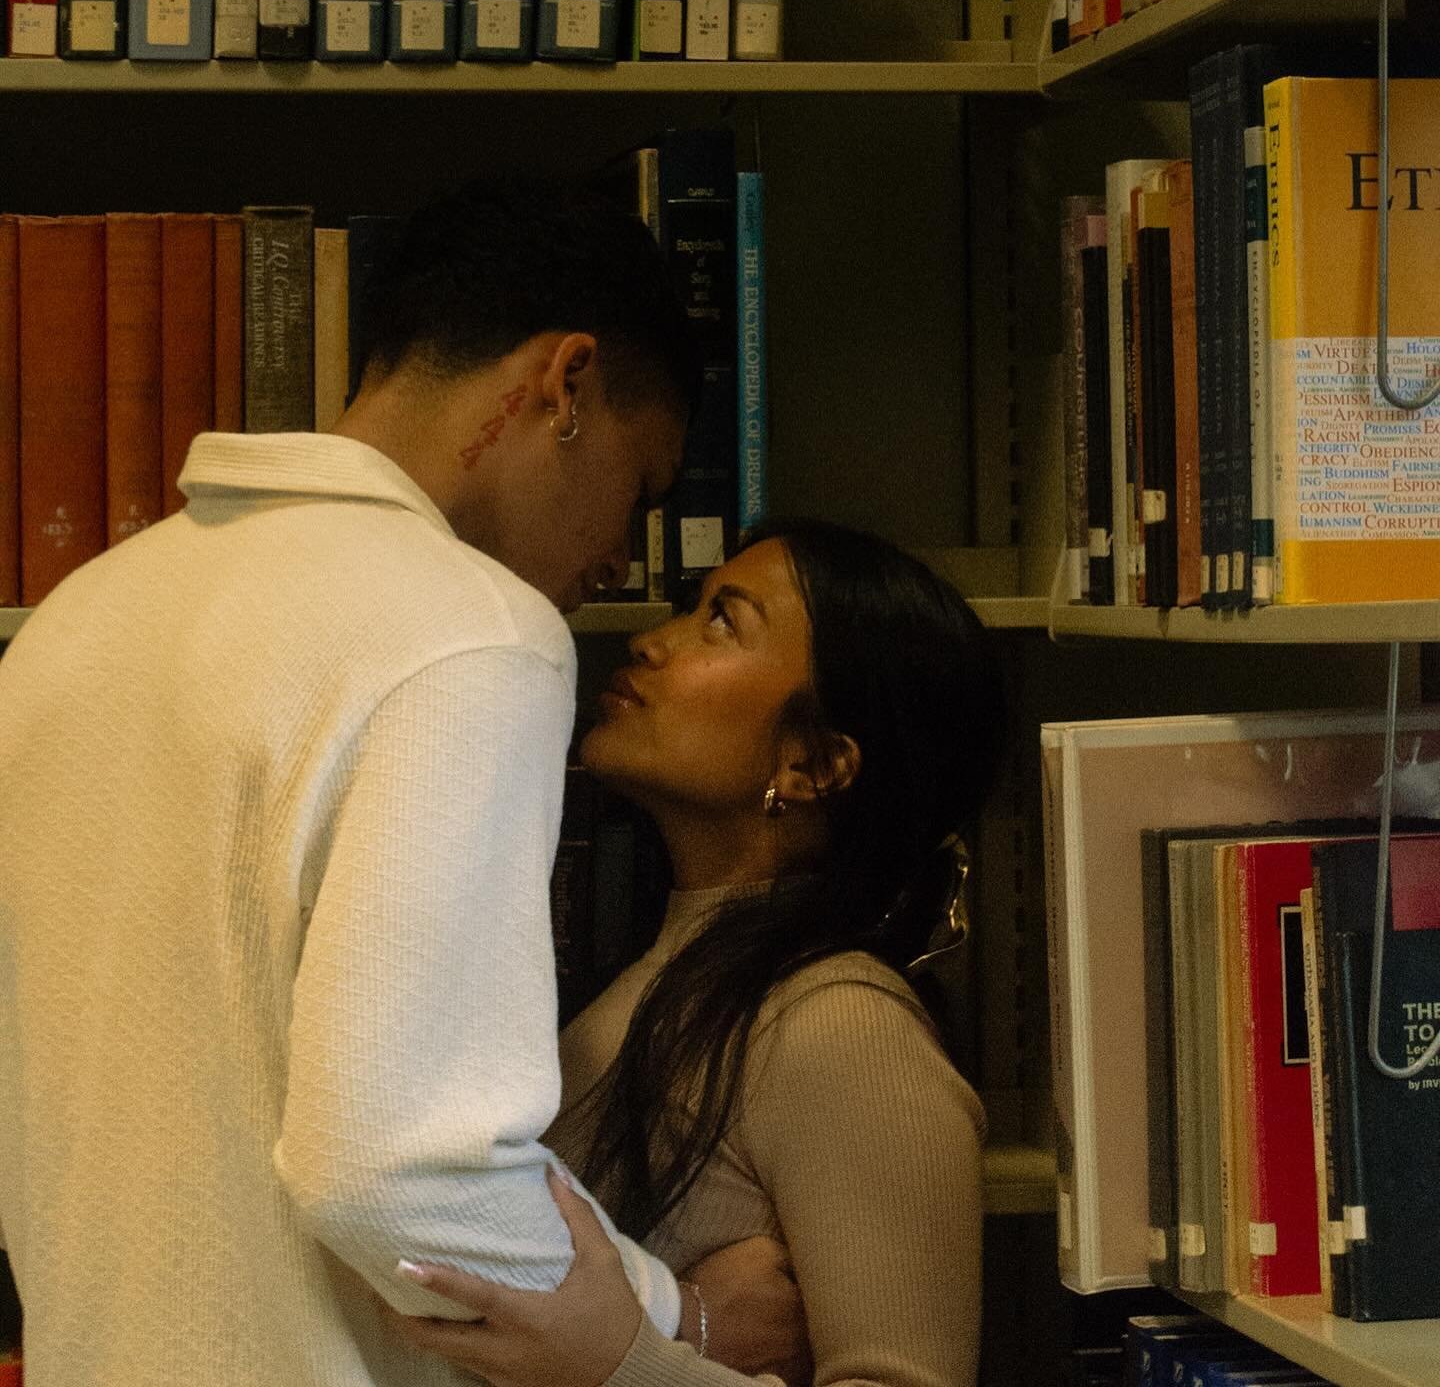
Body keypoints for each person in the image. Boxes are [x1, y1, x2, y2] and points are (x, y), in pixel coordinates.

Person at [0, 180, 804, 1386]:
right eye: (641, 488)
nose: (623, 555)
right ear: (565, 385)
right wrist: (671, 1322)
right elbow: (402, 1168)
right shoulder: (474, 635)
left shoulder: (75, 622)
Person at [380, 517, 1000, 1387]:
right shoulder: (662, 977)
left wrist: (621, 1362)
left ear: (814, 766)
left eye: (721, 621)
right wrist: (686, 1320)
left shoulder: (842, 1026)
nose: (652, 641)